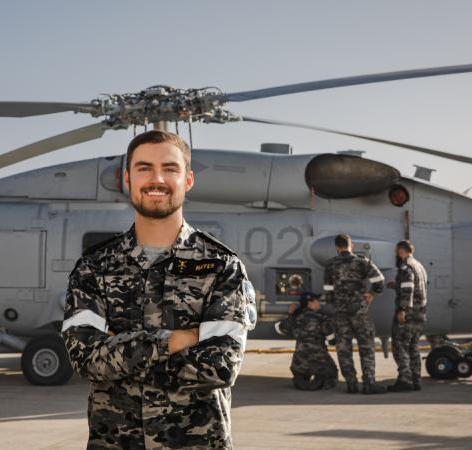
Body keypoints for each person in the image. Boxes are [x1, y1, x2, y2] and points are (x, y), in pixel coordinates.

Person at [62, 130, 255, 449]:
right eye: (144, 168)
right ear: (127, 179)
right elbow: (84, 358)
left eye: (169, 168)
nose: (157, 178)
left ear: (188, 179)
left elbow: (222, 365)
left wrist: (121, 354)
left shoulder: (222, 265)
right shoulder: (94, 266)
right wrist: (179, 338)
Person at [323, 234, 386, 394]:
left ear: (337, 247)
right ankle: (369, 384)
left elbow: (328, 290)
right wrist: (372, 294)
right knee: (366, 346)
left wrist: (335, 305)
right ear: (351, 246)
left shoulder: (330, 265)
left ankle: (351, 384)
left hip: (340, 313)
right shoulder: (361, 262)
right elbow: (379, 280)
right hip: (359, 311)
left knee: (343, 348)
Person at [387, 240, 428, 392]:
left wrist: (403, 309)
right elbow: (414, 287)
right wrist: (396, 285)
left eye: (397, 251)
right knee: (413, 348)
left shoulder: (406, 267)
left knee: (400, 347)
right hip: (419, 314)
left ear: (402, 251)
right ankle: (416, 380)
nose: (396, 254)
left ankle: (405, 380)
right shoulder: (419, 266)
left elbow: (409, 288)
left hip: (408, 315)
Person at [275, 292, 338, 391]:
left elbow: (280, 329)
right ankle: (319, 380)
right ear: (310, 303)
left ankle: (300, 379)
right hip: (319, 360)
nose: (319, 303)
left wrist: (290, 314)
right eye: (317, 301)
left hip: (300, 361)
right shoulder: (322, 318)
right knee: (332, 373)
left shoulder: (296, 317)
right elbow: (332, 341)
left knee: (302, 371)